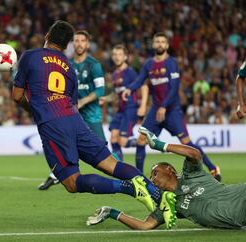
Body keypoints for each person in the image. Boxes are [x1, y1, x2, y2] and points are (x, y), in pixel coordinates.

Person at [12, 20, 176, 228]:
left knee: (72, 182)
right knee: (112, 164)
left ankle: (130, 188)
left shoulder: (30, 56)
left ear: (47, 37)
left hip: (53, 124)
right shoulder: (69, 69)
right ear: (66, 46)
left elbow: (17, 96)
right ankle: (158, 196)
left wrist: (35, 110)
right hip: (75, 120)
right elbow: (71, 102)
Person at [87, 126, 246, 230]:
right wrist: (113, 213)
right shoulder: (169, 205)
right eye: (151, 176)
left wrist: (159, 145)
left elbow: (195, 154)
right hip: (239, 220)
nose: (152, 179)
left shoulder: (191, 174)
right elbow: (145, 225)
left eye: (155, 173)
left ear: (170, 170)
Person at [122, 32, 221, 181]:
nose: (160, 44)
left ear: (167, 45)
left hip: (172, 110)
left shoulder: (171, 63)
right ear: (153, 45)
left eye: (163, 42)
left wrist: (164, 106)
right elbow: (139, 80)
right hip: (156, 110)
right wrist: (129, 88)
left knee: (186, 142)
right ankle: (139, 178)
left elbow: (174, 88)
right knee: (141, 140)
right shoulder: (149, 64)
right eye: (157, 42)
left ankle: (213, 168)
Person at [38, 30, 106, 190]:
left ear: (88, 44)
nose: (79, 43)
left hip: (91, 115)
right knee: (63, 145)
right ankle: (54, 175)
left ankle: (126, 174)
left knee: (102, 149)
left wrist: (82, 101)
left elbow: (100, 90)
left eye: (83, 40)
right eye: (76, 40)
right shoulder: (66, 63)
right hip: (70, 114)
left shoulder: (93, 64)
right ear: (71, 44)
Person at [102, 44, 148, 161]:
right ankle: (120, 168)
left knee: (122, 142)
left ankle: (142, 141)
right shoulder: (114, 74)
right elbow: (116, 94)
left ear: (125, 57)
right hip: (120, 111)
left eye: (120, 54)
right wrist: (105, 99)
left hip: (130, 109)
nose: (117, 57)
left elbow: (144, 87)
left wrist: (143, 106)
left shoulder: (130, 72)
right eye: (115, 54)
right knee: (113, 139)